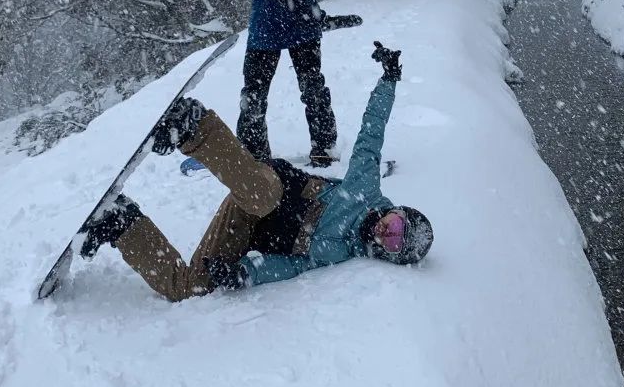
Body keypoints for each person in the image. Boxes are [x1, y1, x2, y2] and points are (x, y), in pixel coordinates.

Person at [79, 43, 434, 302]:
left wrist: (243, 273)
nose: (388, 231)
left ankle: (121, 223)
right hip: (275, 188)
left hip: (250, 227)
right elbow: (372, 135)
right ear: (396, 211)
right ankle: (193, 127)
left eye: (394, 241)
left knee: (189, 289)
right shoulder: (365, 190)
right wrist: (389, 80)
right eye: (398, 224)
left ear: (390, 253)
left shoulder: (344, 253)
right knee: (261, 196)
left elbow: (292, 266)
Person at [237, 0, 356, 167]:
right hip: (267, 32)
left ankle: (324, 146)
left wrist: (317, 19)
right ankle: (252, 157)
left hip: (302, 33)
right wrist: (319, 19)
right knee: (254, 96)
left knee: (314, 87)